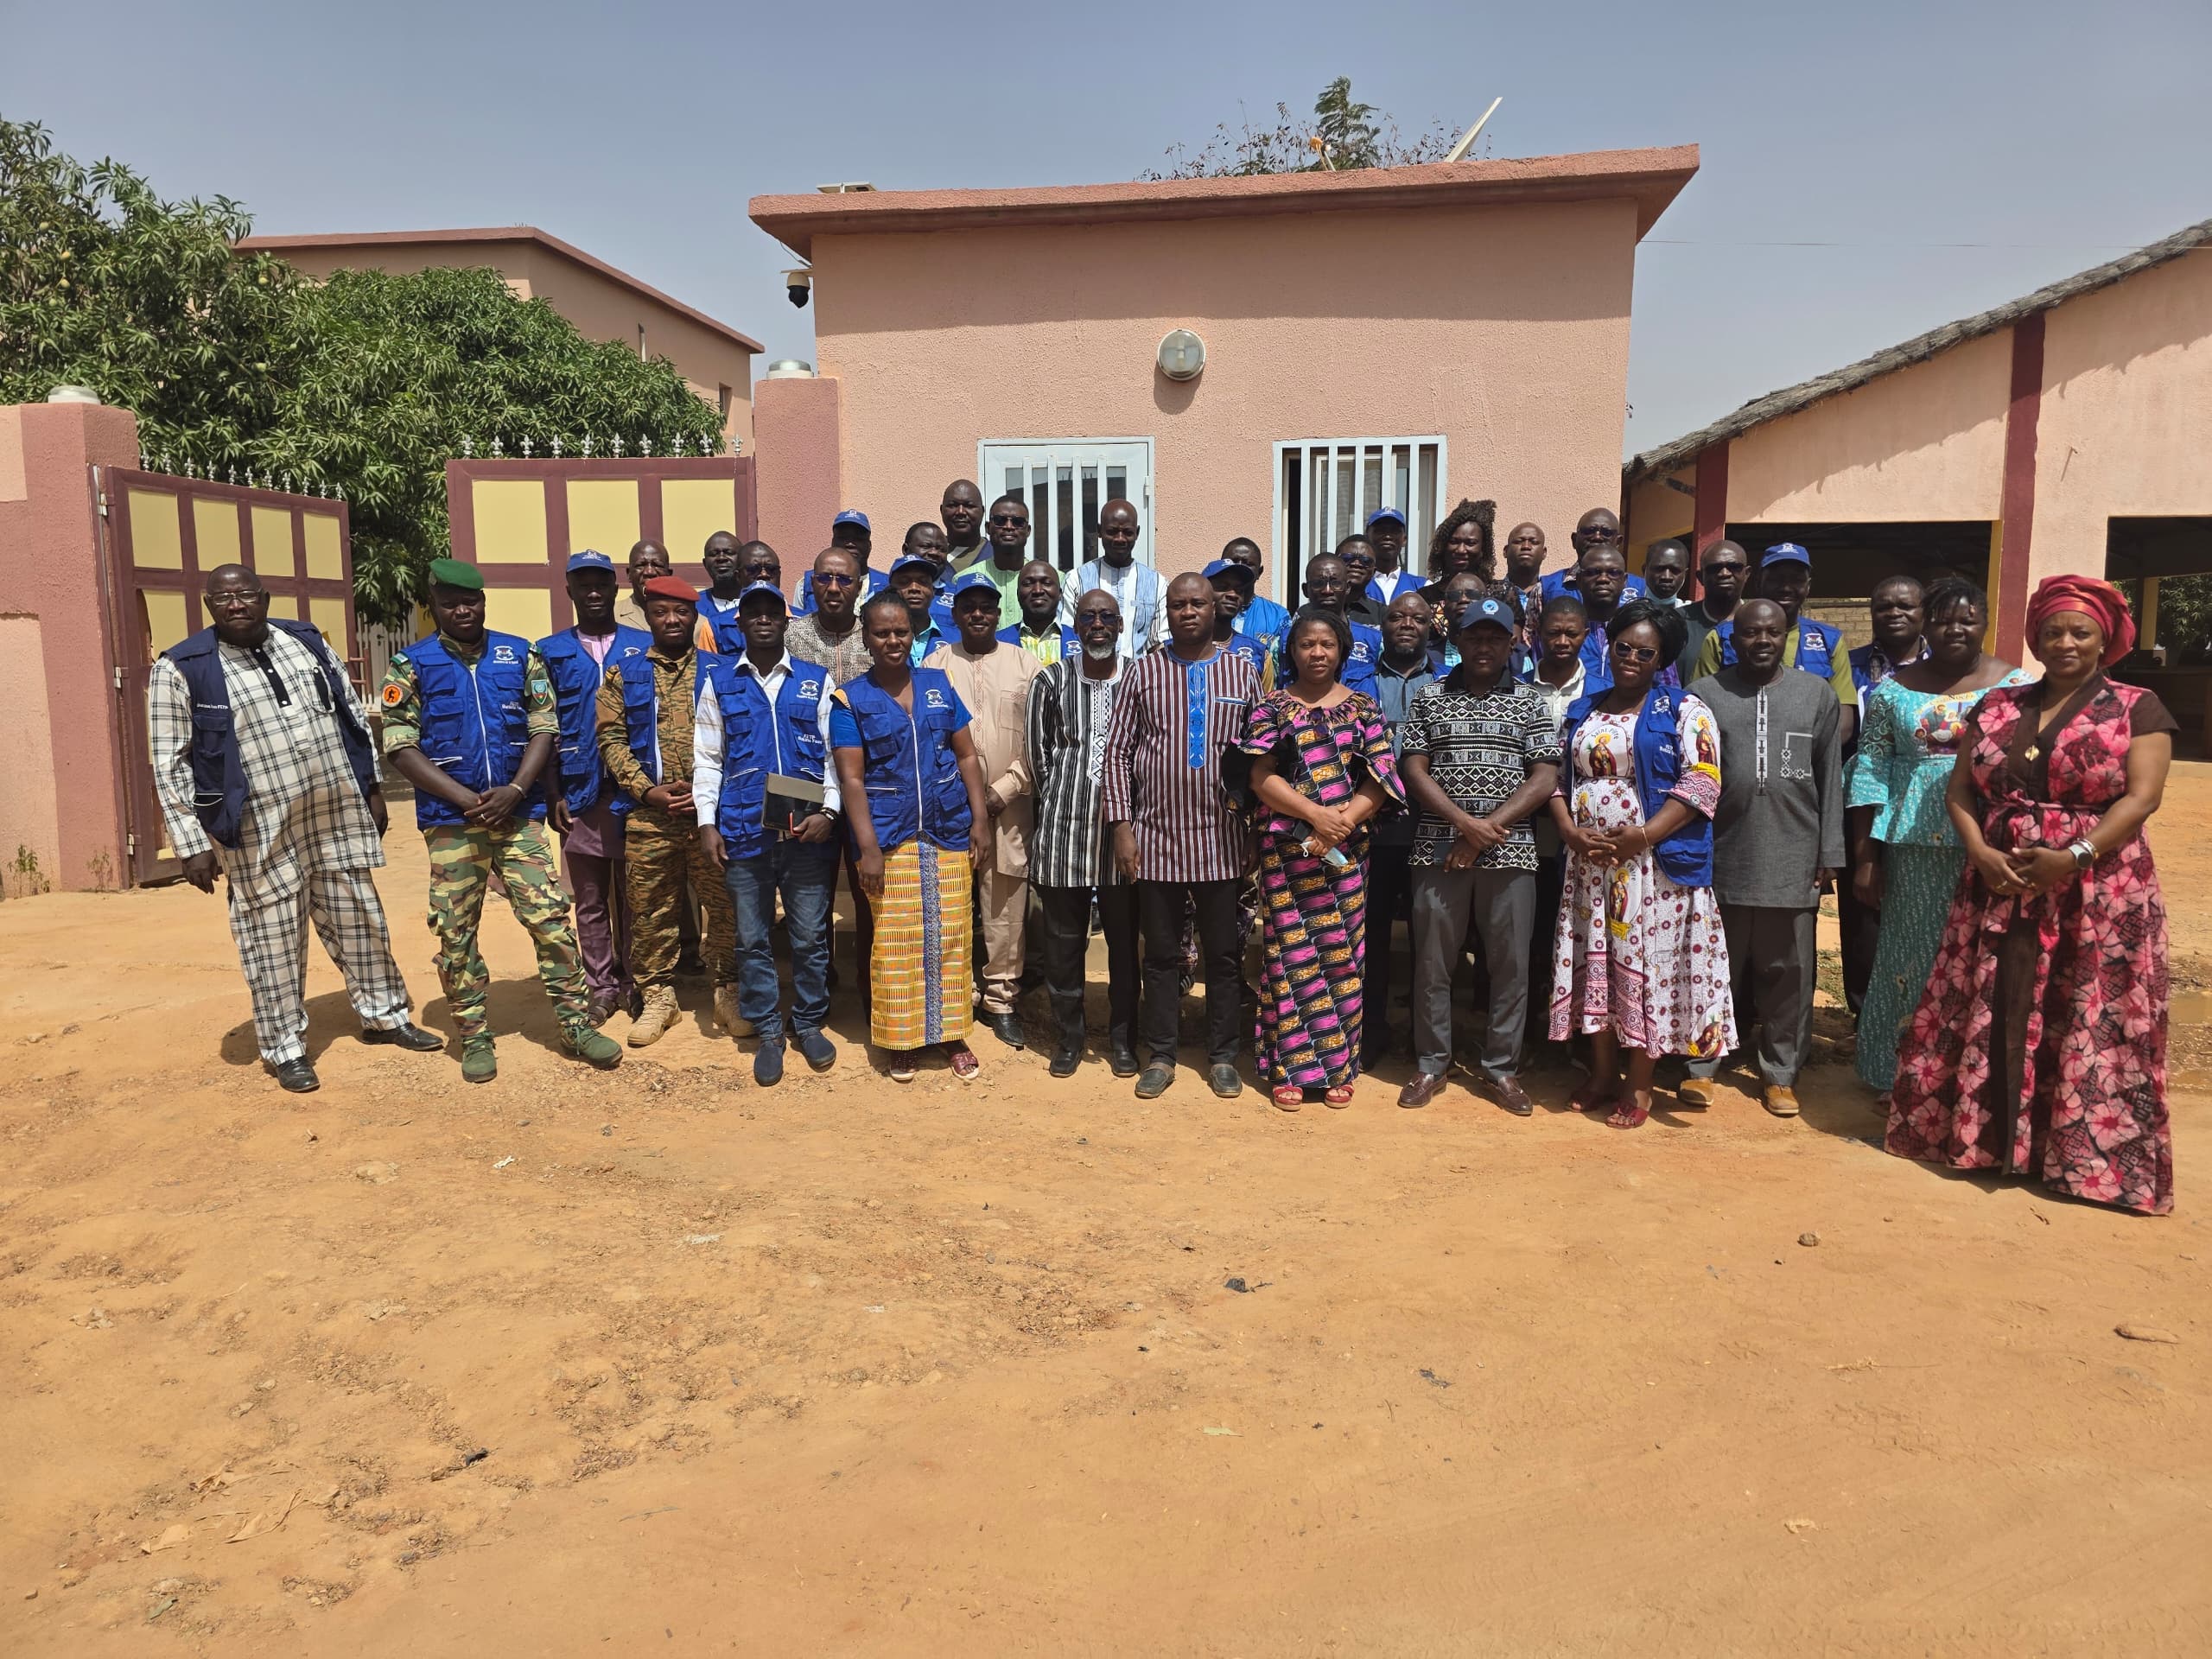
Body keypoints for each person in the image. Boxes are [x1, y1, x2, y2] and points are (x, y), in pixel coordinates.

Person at [1886, 575, 2175, 1216]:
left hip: (2096, 892)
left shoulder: (2138, 707)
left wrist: (2071, 857)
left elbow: (2142, 797)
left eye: (2080, 632)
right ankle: (1984, 1142)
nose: (2065, 642)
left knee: (2084, 1013)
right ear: (2036, 638)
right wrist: (1982, 853)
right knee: (1998, 999)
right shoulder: (1999, 705)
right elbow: (1962, 791)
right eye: (2052, 632)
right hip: (2000, 881)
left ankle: (2077, 1159)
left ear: (2106, 640)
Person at [149, 563, 438, 1091]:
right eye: (223, 599)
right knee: (272, 937)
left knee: (361, 917)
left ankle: (385, 1015)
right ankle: (285, 1046)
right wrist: (191, 844)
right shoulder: (182, 668)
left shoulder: (303, 641)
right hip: (259, 827)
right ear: (209, 606)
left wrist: (371, 786)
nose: (235, 606)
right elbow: (169, 762)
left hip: (332, 812)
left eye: (245, 596)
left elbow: (350, 712)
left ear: (263, 597)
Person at [380, 560, 622, 1081]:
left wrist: (515, 790)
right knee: (456, 932)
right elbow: (400, 747)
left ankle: (576, 1024)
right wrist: (467, 799)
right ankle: (473, 1035)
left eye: (470, 602)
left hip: (519, 816)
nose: (462, 611)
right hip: (451, 822)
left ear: (483, 601)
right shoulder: (410, 665)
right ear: (435, 606)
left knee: (552, 920)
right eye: (449, 604)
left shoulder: (520, 655)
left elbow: (543, 727)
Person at [1548, 598, 1734, 1129]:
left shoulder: (1683, 708)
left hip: (1654, 871)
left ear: (1662, 658)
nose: (1631, 657)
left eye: (1644, 651)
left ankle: (1641, 1084)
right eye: (1623, 647)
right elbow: (1559, 779)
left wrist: (1644, 836)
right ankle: (1602, 1073)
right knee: (1599, 968)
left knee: (1644, 970)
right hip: (1589, 869)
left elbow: (1702, 781)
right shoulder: (1586, 707)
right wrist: (1569, 831)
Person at [1847, 577, 2028, 1101]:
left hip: (1995, 845)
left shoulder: (2017, 686)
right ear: (1927, 624)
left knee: (1984, 957)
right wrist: (1866, 858)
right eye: (1945, 618)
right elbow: (1870, 772)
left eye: (1968, 618)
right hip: (1912, 845)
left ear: (1986, 621)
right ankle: (1899, 1071)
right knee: (1910, 955)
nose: (1956, 628)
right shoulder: (1894, 691)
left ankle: (1974, 1076)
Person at [1681, 599, 1845, 1117]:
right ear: (1734, 639)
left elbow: (1829, 778)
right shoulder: (1704, 695)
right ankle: (1702, 1066)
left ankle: (1779, 1074)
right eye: (1751, 633)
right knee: (1711, 967)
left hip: (1793, 855)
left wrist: (1830, 852)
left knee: (1788, 974)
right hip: (1720, 854)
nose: (1762, 641)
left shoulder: (1815, 695)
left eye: (1773, 633)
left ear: (1785, 635)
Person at [1399, 594, 1562, 1113]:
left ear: (1513, 640)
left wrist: (1487, 828)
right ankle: (1431, 1064)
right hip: (1437, 849)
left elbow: (1545, 776)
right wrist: (1463, 825)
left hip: (1510, 853)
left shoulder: (1532, 701)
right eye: (1475, 635)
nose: (1485, 644)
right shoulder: (1428, 697)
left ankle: (1501, 1069)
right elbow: (1414, 770)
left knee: (1510, 965)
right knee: (1432, 964)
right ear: (1457, 641)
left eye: (1496, 635)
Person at [1101, 572, 1261, 1101]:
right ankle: (1162, 1054)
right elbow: (1117, 754)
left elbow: (1262, 757)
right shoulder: (1144, 672)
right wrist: (1122, 826)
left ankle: (1221, 1056)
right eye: (1178, 604)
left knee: (1223, 956)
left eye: (1198, 603)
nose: (1188, 611)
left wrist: (1257, 829)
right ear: (1165, 612)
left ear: (1216, 609)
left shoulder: (1243, 673)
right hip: (1156, 838)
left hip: (1222, 839)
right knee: (1162, 955)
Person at [1241, 607, 1404, 1109]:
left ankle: (1337, 1066)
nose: (1317, 653)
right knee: (1289, 956)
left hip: (1346, 854)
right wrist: (1314, 815)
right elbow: (1258, 777)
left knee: (1341, 955)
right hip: (1288, 852)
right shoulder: (1271, 708)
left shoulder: (1364, 709)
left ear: (1342, 650)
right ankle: (1289, 1066)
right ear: (1292, 650)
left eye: (1327, 645)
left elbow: (1382, 778)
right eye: (1307, 644)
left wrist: (1341, 822)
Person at [829, 593, 994, 1083]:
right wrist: (868, 849)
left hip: (947, 829)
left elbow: (966, 756)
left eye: (901, 631)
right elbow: (851, 779)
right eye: (882, 633)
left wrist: (979, 821)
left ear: (912, 632)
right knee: (894, 942)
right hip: (889, 836)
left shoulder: (938, 685)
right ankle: (900, 1041)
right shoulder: (849, 699)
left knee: (952, 937)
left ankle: (950, 1035)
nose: (893, 641)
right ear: (867, 638)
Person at [695, 581, 841, 1086]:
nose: (762, 619)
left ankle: (808, 1022)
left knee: (809, 936)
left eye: (771, 612)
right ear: (739, 622)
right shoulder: (720, 682)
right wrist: (706, 823)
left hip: (806, 836)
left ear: (784, 621)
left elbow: (832, 757)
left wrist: (831, 812)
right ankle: (769, 1033)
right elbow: (708, 759)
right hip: (743, 834)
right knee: (753, 940)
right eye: (752, 612)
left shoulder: (814, 680)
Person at [595, 575, 740, 1047]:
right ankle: (659, 997)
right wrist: (646, 791)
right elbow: (611, 739)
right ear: (649, 615)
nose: (672, 620)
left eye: (681, 612)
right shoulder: (624, 673)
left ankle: (728, 990)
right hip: (650, 816)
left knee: (722, 907)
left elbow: (736, 740)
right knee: (651, 910)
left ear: (694, 616)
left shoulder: (721, 671)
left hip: (708, 817)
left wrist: (708, 797)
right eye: (661, 612)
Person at [925, 571, 1042, 1047]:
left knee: (1005, 906)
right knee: (950, 903)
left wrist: (1005, 789)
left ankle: (1001, 1000)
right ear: (954, 614)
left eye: (987, 606)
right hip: (949, 809)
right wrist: (961, 796)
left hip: (1010, 807)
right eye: (968, 606)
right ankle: (955, 996)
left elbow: (1042, 740)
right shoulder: (933, 665)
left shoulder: (1026, 665)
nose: (977, 614)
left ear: (999, 613)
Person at [1027, 588, 1139, 1077]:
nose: (1098, 624)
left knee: (1123, 944)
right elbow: (1038, 755)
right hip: (1063, 829)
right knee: (1063, 943)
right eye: (1088, 616)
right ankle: (1068, 1040)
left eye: (1107, 617)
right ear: (1075, 626)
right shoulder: (1050, 681)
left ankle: (1123, 1042)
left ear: (1120, 625)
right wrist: (1066, 798)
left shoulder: (1139, 679)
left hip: (1125, 834)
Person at [539, 550, 651, 1026]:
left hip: (634, 792)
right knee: (589, 898)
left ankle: (636, 981)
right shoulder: (548, 651)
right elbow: (540, 728)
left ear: (614, 588)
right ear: (569, 589)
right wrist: (550, 793)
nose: (593, 592)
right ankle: (600, 985)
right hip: (579, 791)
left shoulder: (642, 644)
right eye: (582, 583)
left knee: (635, 895)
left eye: (601, 583)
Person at [1838, 574, 1930, 1013]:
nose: (1893, 614)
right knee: (1863, 911)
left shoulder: (1945, 669)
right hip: (1861, 802)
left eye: (1905, 606)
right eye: (1883, 607)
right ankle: (1865, 1014)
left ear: (1923, 612)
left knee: (1921, 907)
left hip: (1925, 806)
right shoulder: (1849, 664)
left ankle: (1919, 1010)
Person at [1363, 591, 1441, 1062]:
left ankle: (1425, 1040)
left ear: (1431, 625)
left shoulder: (1447, 680)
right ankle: (1370, 1033)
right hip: (1372, 827)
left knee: (1428, 938)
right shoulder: (1362, 679)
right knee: (1370, 936)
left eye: (1417, 617)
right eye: (1397, 617)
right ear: (1383, 625)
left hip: (1430, 825)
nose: (1407, 624)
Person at [1691, 543, 1857, 744]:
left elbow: (1843, 725)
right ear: (1759, 581)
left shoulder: (1828, 641)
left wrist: (1795, 754)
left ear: (1808, 586)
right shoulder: (1722, 638)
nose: (1786, 588)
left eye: (1796, 580)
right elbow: (1698, 711)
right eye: (1776, 579)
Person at [1521, 594, 1592, 1034]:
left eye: (1571, 633)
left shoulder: (1603, 689)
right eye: (1553, 633)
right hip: (1528, 828)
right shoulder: (1518, 687)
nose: (1562, 641)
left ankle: (1579, 1032)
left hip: (1584, 832)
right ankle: (1529, 1030)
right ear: (1536, 636)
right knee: (1533, 931)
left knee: (1581, 932)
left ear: (1586, 635)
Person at [1061, 499, 1165, 658]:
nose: (1120, 539)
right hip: (1087, 677)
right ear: (1099, 531)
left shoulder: (1157, 584)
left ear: (1137, 533)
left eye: (1128, 532)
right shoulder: (1076, 580)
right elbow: (1069, 638)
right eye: (1112, 531)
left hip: (1139, 678)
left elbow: (1159, 645)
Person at [1266, 555, 1381, 695]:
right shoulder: (1282, 642)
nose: (1327, 590)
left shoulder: (1374, 641)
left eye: (1335, 583)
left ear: (1348, 587)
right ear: (1305, 590)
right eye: (1318, 583)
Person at [785, 545, 875, 686]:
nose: (833, 588)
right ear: (812, 583)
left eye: (844, 580)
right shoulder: (791, 636)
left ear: (858, 588)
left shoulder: (874, 637)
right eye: (824, 578)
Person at [1541, 510, 1649, 607]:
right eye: (1589, 531)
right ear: (1574, 540)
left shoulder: (1641, 589)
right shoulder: (1546, 588)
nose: (1597, 537)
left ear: (1618, 542)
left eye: (1606, 533)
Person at [791, 511, 887, 616]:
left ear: (869, 546)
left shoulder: (888, 585)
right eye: (843, 538)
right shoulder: (806, 584)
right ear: (833, 543)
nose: (850, 544)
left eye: (858, 539)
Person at [1676, 539, 1748, 679]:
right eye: (1714, 568)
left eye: (1734, 567)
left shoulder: (1760, 624)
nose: (1725, 573)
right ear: (1700, 577)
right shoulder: (1677, 622)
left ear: (1747, 573)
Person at [966, 494, 1039, 629]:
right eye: (1000, 520)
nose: (1009, 527)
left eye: (1018, 522)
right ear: (988, 528)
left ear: (1028, 531)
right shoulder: (965, 579)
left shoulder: (1052, 581)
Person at [1421, 499, 1497, 607]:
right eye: (1453, 542)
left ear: (1483, 549)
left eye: (1470, 543)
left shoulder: (1501, 594)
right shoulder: (1425, 597)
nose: (1461, 550)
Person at [1205, 557, 1271, 677]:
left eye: (1239, 590)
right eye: (1222, 587)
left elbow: (1266, 695)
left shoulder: (1259, 654)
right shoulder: (1176, 649)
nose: (1233, 595)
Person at [1000, 561, 1077, 664]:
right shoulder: (997, 642)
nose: (1038, 590)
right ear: (1018, 595)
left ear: (1060, 594)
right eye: (1028, 584)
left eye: (1047, 583)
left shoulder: (1081, 640)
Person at [1221, 537, 1291, 645]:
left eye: (1247, 564)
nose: (1239, 568)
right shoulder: (1207, 611)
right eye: (1233, 562)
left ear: (1259, 572)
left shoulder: (1278, 616)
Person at [889, 550, 951, 663]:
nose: (914, 588)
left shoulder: (956, 637)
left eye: (923, 581)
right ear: (890, 590)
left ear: (933, 591)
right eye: (904, 582)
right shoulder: (880, 638)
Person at [1364, 507, 1426, 606]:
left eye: (1395, 531)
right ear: (1367, 537)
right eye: (1380, 530)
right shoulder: (1355, 585)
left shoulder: (1422, 586)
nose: (1387, 536)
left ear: (1404, 539)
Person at [613, 539, 671, 631]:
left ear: (669, 574)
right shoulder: (611, 616)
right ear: (629, 574)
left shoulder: (691, 622)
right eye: (640, 565)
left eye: (657, 565)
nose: (649, 572)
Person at [1335, 537, 1388, 628]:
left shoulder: (1383, 614)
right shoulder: (1310, 611)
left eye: (1366, 560)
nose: (1356, 564)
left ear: (1373, 572)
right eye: (1347, 558)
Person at [941, 479, 987, 569]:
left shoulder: (997, 557)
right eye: (952, 505)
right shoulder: (930, 556)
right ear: (941, 510)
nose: (960, 512)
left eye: (969, 506)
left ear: (982, 511)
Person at [1642, 539, 1691, 607]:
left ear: (1685, 574)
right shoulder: (1628, 614)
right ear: (1645, 571)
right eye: (1659, 569)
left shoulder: (1693, 616)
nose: (1667, 577)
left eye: (1675, 570)